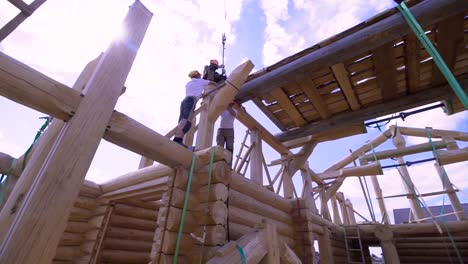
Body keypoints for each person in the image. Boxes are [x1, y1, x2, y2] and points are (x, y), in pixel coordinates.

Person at [173, 70, 213, 146]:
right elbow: (211, 83)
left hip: (185, 101)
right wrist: (217, 86)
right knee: (186, 121)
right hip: (191, 101)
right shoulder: (201, 81)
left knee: (182, 120)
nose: (200, 76)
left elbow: (195, 91)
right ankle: (177, 139)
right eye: (199, 75)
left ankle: (178, 138)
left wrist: (201, 95)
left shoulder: (188, 83)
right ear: (197, 75)